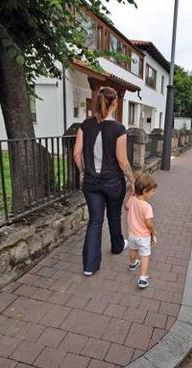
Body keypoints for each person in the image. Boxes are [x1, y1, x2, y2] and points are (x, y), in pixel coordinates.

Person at [73, 87, 135, 276]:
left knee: (95, 221)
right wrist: (132, 181)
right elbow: (122, 160)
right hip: (113, 183)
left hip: (91, 183)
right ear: (115, 103)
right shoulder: (118, 129)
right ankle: (117, 246)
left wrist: (84, 172)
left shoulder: (85, 125)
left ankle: (89, 266)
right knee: (114, 216)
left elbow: (76, 153)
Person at [125, 174, 158, 289]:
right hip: (143, 237)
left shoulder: (132, 200)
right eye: (153, 191)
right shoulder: (147, 207)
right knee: (145, 256)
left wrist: (130, 196)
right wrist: (153, 232)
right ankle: (143, 278)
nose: (154, 193)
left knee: (133, 250)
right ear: (145, 191)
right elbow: (149, 223)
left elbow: (126, 207)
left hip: (132, 234)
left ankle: (132, 264)